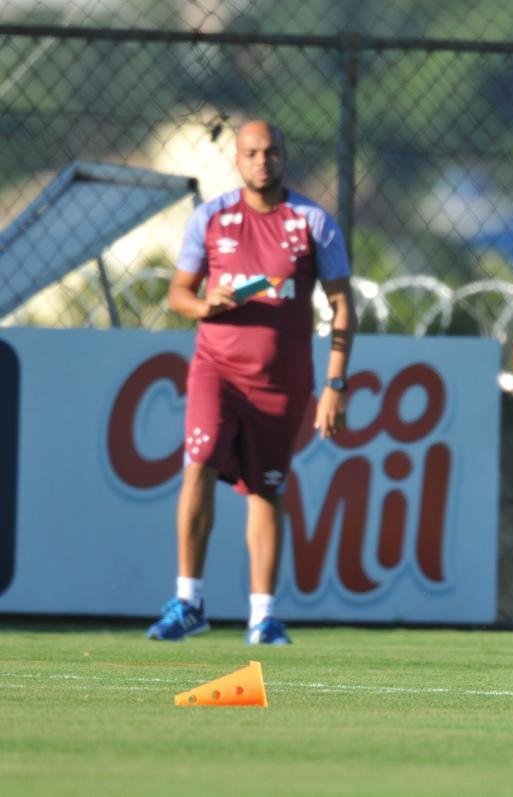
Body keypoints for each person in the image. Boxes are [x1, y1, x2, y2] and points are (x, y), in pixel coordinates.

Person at [147, 119, 357, 645]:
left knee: (266, 489)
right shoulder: (212, 217)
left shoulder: (312, 221)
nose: (263, 161)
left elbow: (341, 305)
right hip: (216, 370)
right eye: (252, 153)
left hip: (281, 383)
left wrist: (335, 386)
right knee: (199, 462)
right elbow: (178, 294)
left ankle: (263, 616)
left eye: (272, 152)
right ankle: (189, 601)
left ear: (285, 156)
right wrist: (205, 304)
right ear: (238, 160)